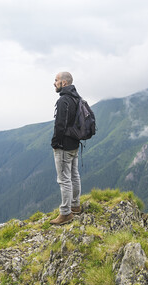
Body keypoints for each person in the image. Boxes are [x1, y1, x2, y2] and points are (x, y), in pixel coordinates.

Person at [50, 71, 82, 225]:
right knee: (74, 175)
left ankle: (65, 213)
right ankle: (75, 205)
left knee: (64, 180)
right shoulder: (77, 98)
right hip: (75, 143)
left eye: (56, 80)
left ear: (64, 83)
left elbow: (60, 125)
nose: (54, 83)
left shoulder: (64, 100)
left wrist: (55, 143)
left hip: (64, 146)